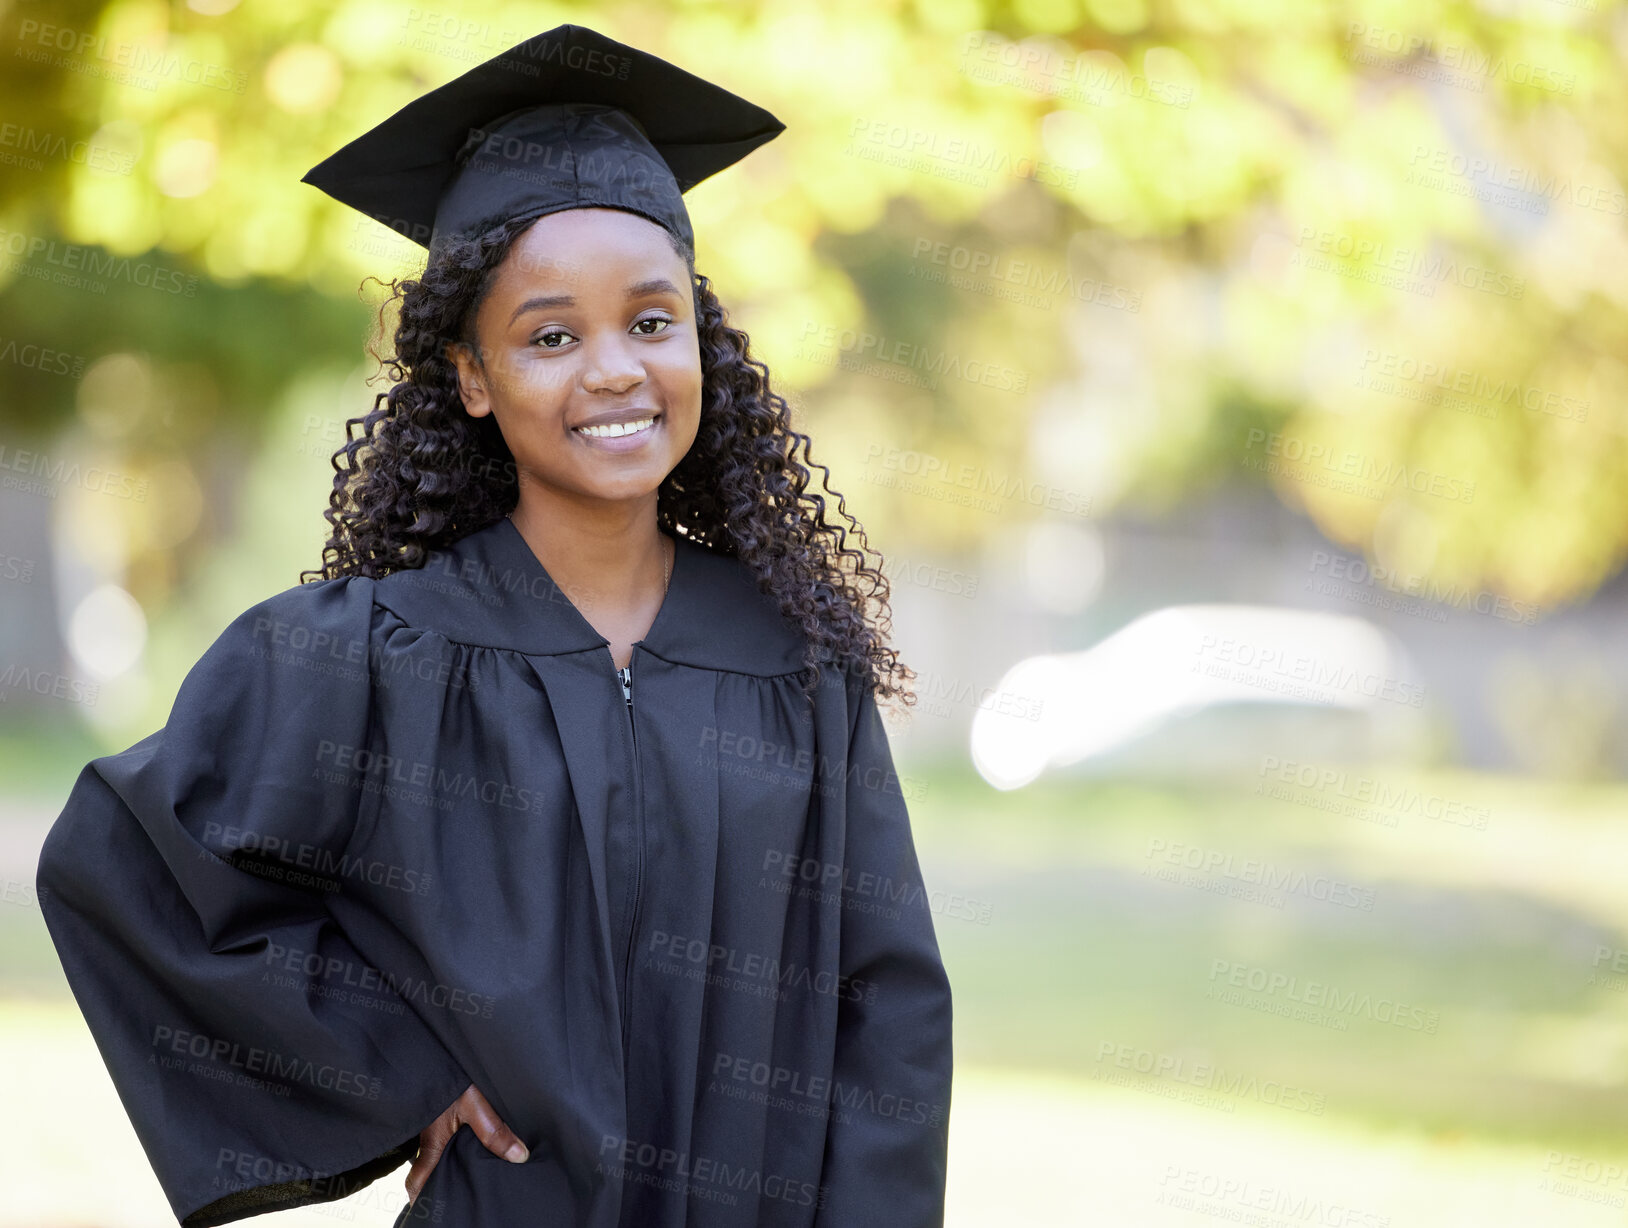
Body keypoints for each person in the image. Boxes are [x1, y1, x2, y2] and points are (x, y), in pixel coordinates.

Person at [36, 22, 953, 1228]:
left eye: (651, 320)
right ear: (471, 376)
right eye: (550, 336)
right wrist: (391, 1071)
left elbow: (883, 1009)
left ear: (701, 342)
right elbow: (124, 867)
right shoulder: (370, 655)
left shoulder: (793, 659)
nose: (615, 369)